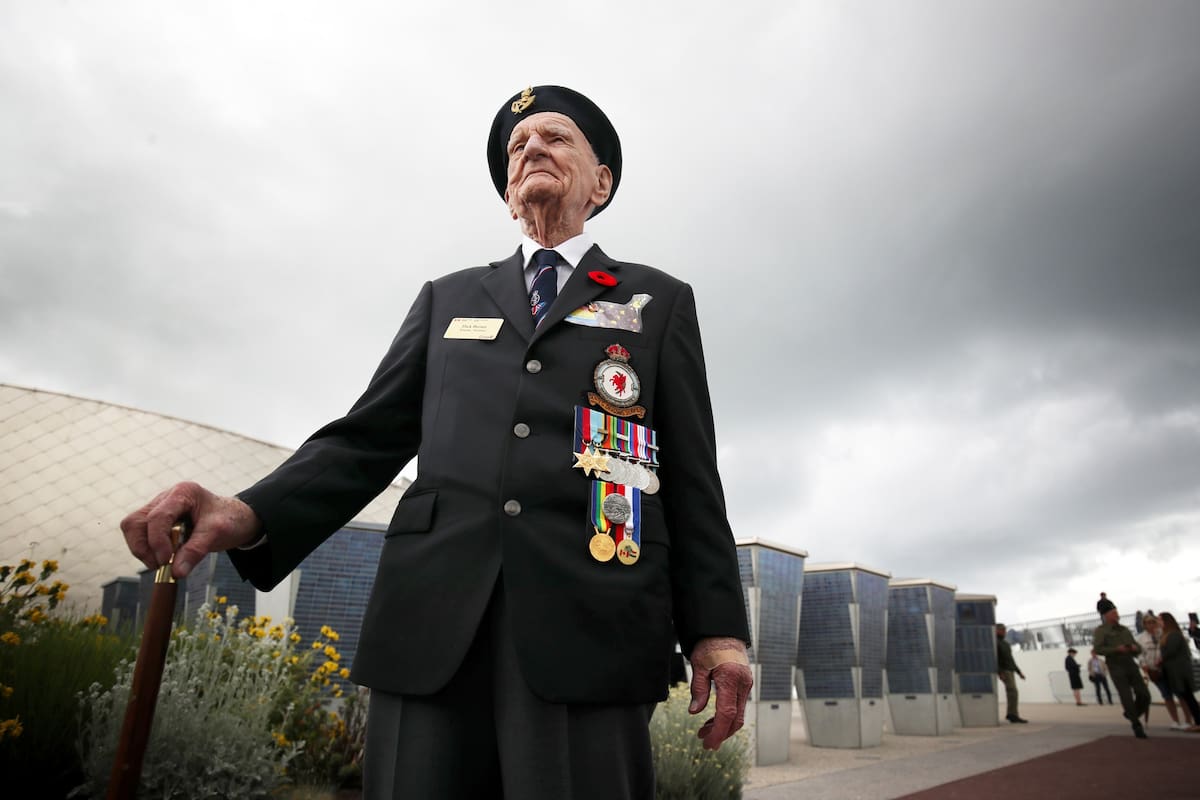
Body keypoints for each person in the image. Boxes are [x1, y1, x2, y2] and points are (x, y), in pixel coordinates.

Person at [121, 85, 753, 799]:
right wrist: (246, 511)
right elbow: (366, 438)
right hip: (431, 614)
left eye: (555, 138)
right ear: (509, 195)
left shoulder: (654, 300)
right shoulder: (449, 298)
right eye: (518, 147)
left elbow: (692, 475)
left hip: (592, 617)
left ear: (600, 183)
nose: (532, 149)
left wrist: (717, 630)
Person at [1093, 598, 1150, 738]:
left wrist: (1135, 648)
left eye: (1116, 612)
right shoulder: (1101, 631)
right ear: (1106, 615)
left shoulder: (1124, 630)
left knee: (1144, 694)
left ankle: (1131, 713)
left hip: (1130, 663)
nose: (1116, 615)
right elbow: (1098, 649)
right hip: (1115, 665)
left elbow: (1137, 647)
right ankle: (1136, 725)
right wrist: (1116, 649)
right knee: (1126, 696)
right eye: (1113, 613)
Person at [1136, 613, 1192, 730]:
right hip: (1154, 670)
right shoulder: (1141, 638)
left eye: (1153, 622)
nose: (1151, 625)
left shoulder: (1164, 633)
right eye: (1148, 623)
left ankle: (1188, 720)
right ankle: (1175, 720)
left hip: (1168, 668)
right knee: (1167, 695)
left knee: (1180, 694)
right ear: (1144, 624)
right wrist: (1144, 665)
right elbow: (1140, 654)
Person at [1158, 612, 1200, 732]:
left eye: (1160, 620)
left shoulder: (1173, 635)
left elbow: (1170, 651)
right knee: (1187, 696)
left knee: (1188, 696)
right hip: (1177, 670)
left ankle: (1198, 721)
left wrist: (1160, 659)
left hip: (1180, 672)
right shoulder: (1169, 634)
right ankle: (1197, 720)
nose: (1158, 622)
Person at [996, 624, 1027, 723]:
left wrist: (1019, 672)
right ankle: (1012, 714)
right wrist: (1000, 672)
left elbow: (1011, 659)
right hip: (1004, 670)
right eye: (1002, 630)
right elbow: (996, 659)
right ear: (997, 631)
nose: (1004, 632)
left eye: (1004, 630)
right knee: (1013, 691)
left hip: (1010, 670)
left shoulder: (1005, 644)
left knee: (1013, 692)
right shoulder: (995, 643)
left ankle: (1012, 714)